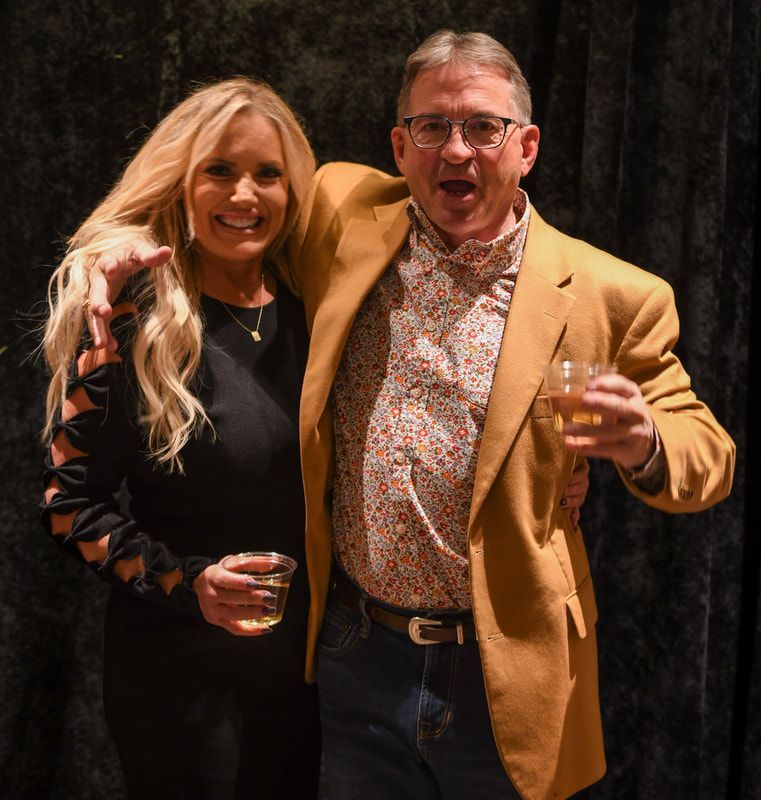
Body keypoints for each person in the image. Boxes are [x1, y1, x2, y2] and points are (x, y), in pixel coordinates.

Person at [83, 30, 733, 800]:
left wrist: (641, 442)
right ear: (399, 144)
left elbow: (709, 456)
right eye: (432, 127)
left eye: (482, 127)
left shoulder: (612, 294)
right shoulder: (340, 215)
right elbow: (219, 205)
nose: (455, 150)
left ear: (525, 146)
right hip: (353, 652)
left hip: (504, 661)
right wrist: (116, 250)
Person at [40, 78, 322, 799]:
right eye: (219, 170)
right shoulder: (130, 324)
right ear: (182, 183)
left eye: (268, 174)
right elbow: (69, 504)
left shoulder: (316, 315)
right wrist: (186, 580)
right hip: (184, 683)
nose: (245, 195)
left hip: (313, 676)